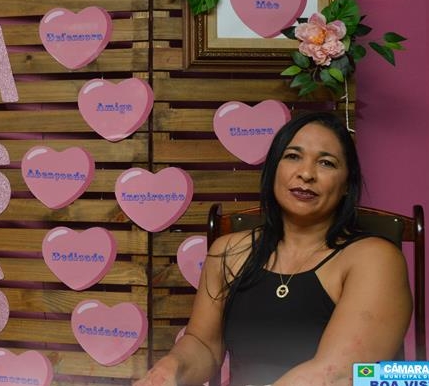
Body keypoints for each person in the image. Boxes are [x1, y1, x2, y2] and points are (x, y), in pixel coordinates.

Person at [134, 111, 412, 386]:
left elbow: (335, 374)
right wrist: (170, 369)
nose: (306, 174)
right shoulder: (228, 251)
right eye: (292, 156)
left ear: (346, 186)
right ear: (273, 170)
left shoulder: (375, 259)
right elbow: (204, 345)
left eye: (326, 163)